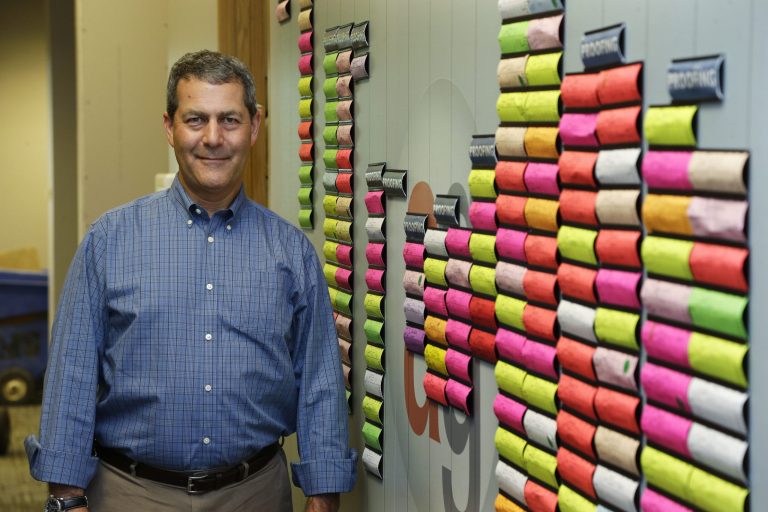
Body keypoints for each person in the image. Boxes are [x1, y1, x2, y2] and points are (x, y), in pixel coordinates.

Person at [26, 49, 356, 512]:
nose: (214, 138)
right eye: (196, 119)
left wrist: (324, 496)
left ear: (255, 126)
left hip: (255, 494)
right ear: (170, 127)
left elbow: (321, 384)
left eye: (230, 120)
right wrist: (66, 497)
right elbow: (72, 377)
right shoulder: (109, 241)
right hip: (130, 494)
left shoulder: (291, 253)